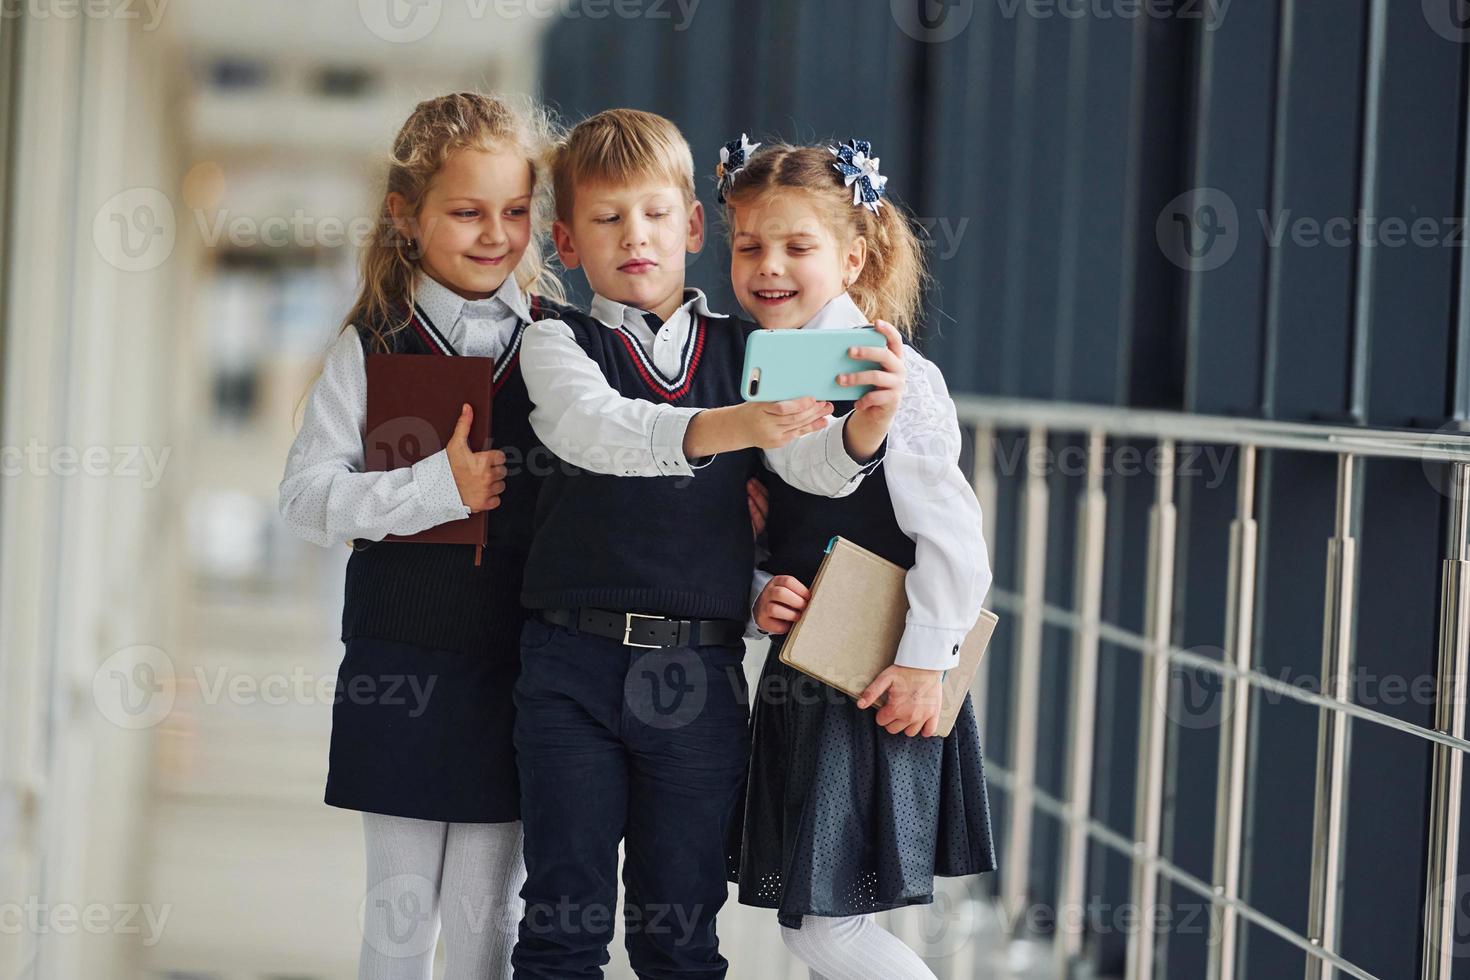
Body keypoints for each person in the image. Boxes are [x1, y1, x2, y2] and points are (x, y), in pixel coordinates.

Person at [509, 108, 907, 978]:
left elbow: (804, 468)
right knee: (560, 924)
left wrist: (861, 438)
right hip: (567, 671)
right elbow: (593, 430)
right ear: (567, 243)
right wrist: (733, 426)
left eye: (655, 216)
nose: (635, 238)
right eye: (607, 220)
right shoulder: (554, 341)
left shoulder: (756, 349)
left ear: (692, 226)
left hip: (698, 678)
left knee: (680, 930)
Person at [278, 91, 570, 980]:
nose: (495, 233)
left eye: (515, 212)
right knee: (400, 927)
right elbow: (304, 498)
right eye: (467, 211)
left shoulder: (562, 349)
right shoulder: (372, 346)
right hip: (398, 663)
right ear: (407, 216)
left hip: (521, 670)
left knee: (488, 933)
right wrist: (433, 488)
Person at [719, 135, 998, 979]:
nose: (770, 265)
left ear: (852, 253)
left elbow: (954, 533)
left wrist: (927, 666)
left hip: (878, 679)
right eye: (748, 245)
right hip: (812, 668)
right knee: (815, 927)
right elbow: (778, 524)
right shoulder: (753, 373)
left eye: (798, 246)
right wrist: (761, 587)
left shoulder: (897, 375)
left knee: (825, 931)